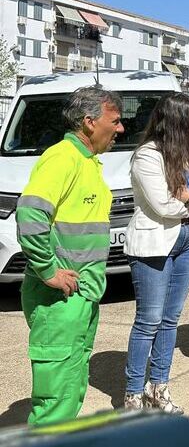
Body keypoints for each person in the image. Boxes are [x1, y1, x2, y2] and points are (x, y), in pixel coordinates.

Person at [16, 87, 124, 425]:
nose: (120, 129)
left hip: (79, 297)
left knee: (70, 391)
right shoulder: (63, 157)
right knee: (55, 404)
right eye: (115, 121)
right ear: (90, 122)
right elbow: (30, 216)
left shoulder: (87, 162)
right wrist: (49, 271)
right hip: (58, 300)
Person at [123, 93, 189, 413]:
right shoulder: (147, 156)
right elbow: (161, 204)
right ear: (175, 121)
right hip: (153, 245)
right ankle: (133, 395)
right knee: (148, 320)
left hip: (186, 240)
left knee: (170, 320)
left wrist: (188, 194)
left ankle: (158, 389)